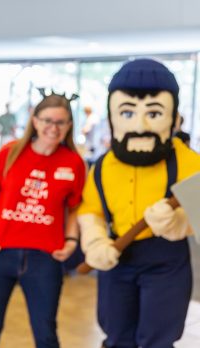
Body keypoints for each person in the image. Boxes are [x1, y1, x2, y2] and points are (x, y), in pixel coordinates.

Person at [78, 58, 200, 348]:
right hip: (117, 256)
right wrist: (95, 242)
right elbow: (91, 210)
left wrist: (179, 222)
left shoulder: (190, 163)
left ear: (172, 116)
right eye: (128, 112)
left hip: (166, 262)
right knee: (116, 333)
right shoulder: (103, 166)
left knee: (157, 338)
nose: (141, 125)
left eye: (154, 113)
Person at [0, 92, 86, 348]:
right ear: (34, 121)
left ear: (69, 125)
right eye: (47, 120)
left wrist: (71, 240)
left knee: (46, 334)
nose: (53, 128)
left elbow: (75, 207)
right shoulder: (11, 152)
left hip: (44, 258)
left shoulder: (74, 162)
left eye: (60, 122)